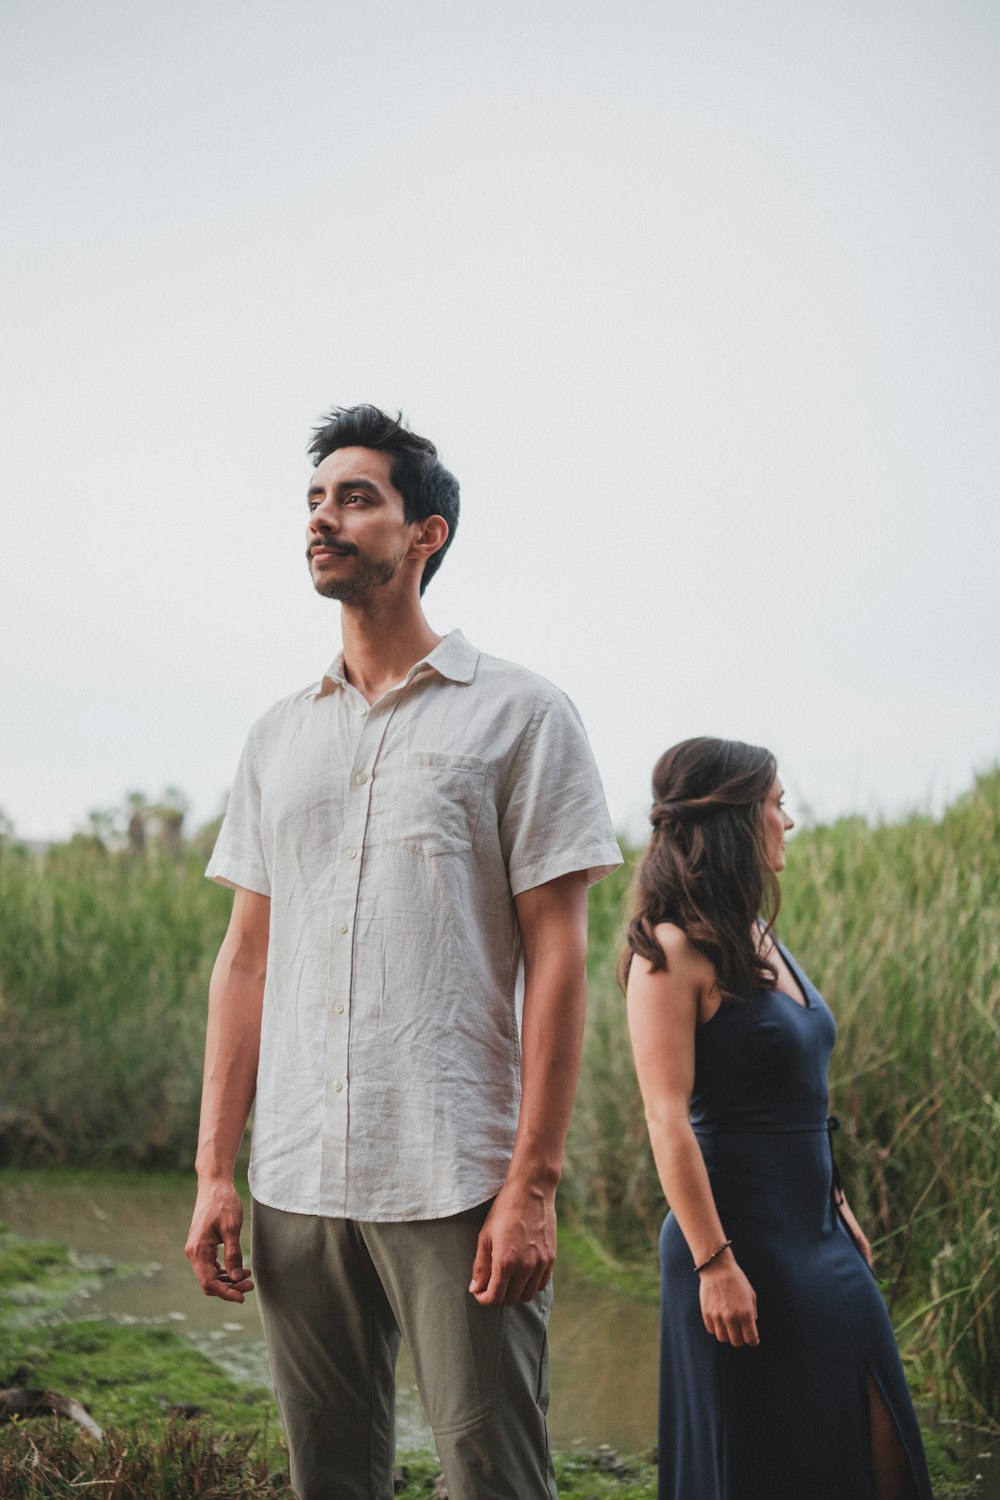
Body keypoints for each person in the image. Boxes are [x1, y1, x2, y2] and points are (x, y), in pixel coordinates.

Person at [184, 404, 621, 1500]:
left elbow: (559, 961)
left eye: (356, 497)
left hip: (457, 1180)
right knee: (327, 1478)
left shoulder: (521, 717)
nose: (323, 519)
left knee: (492, 1475)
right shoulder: (277, 736)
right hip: (295, 1177)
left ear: (424, 535)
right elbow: (244, 960)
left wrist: (534, 1183)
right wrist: (212, 1170)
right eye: (316, 500)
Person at [622, 738, 932, 1500]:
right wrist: (714, 1264)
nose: (787, 822)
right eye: (777, 805)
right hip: (734, 1240)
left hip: (817, 1234)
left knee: (882, 1436)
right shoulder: (670, 951)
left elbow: (794, 1093)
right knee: (757, 1458)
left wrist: (835, 1200)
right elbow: (667, 1119)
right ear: (734, 818)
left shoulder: (757, 936)